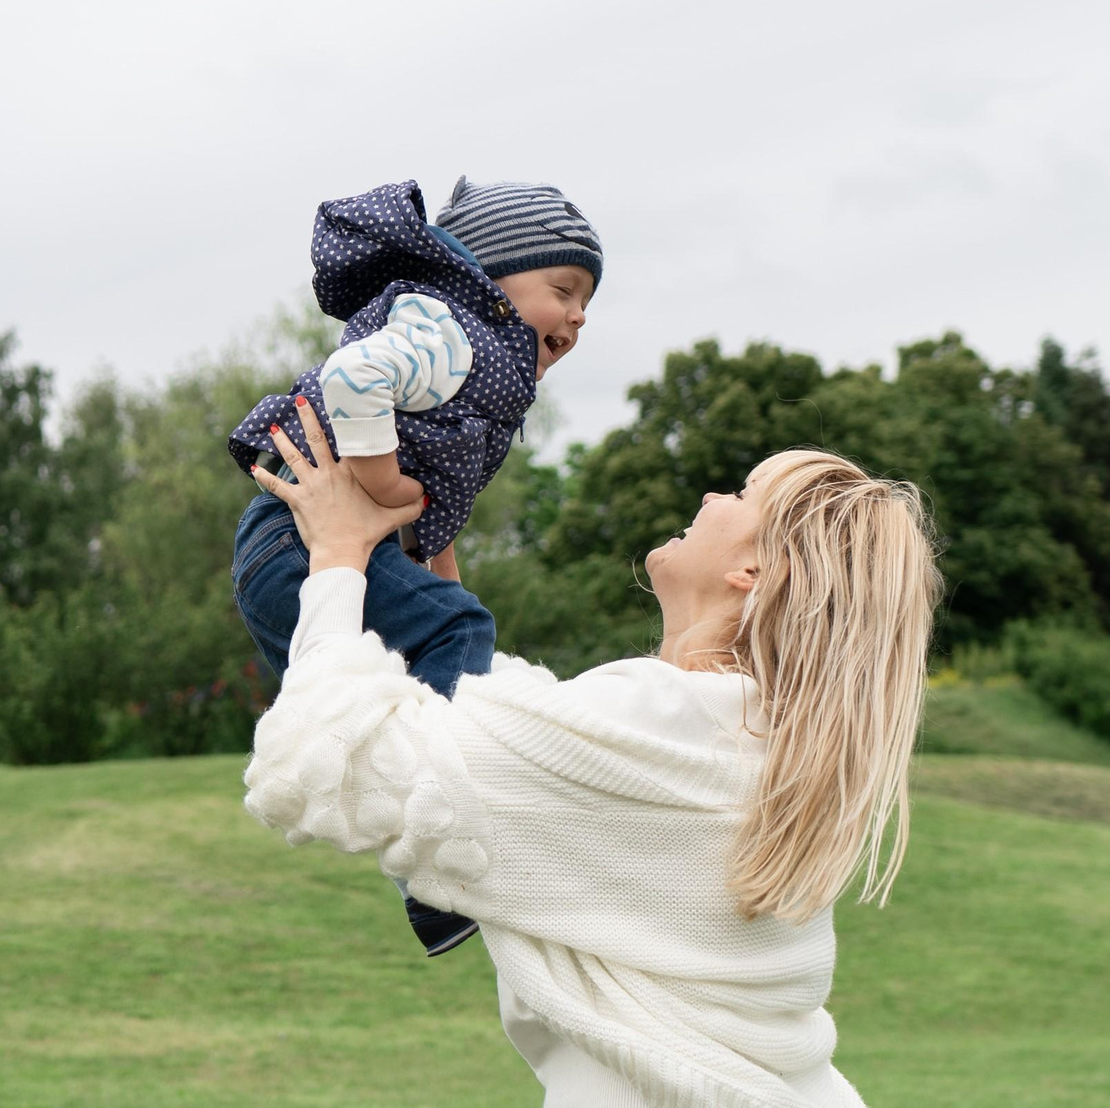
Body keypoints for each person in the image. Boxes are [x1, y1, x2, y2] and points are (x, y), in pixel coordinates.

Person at [240, 411, 941, 1108]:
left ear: (754, 569)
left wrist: (334, 560)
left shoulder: (665, 719)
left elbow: (321, 764)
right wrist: (438, 606)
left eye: (742, 494)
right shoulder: (747, 736)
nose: (711, 499)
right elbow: (538, 731)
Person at [227, 176, 601, 953]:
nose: (575, 316)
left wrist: (430, 544)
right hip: (300, 537)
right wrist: (386, 482)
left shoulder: (480, 354)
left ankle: (428, 882)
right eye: (562, 288)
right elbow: (352, 377)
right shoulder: (453, 330)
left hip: (292, 554)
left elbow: (428, 520)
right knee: (460, 630)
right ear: (489, 274)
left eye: (586, 306)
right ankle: (447, 857)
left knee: (379, 709)